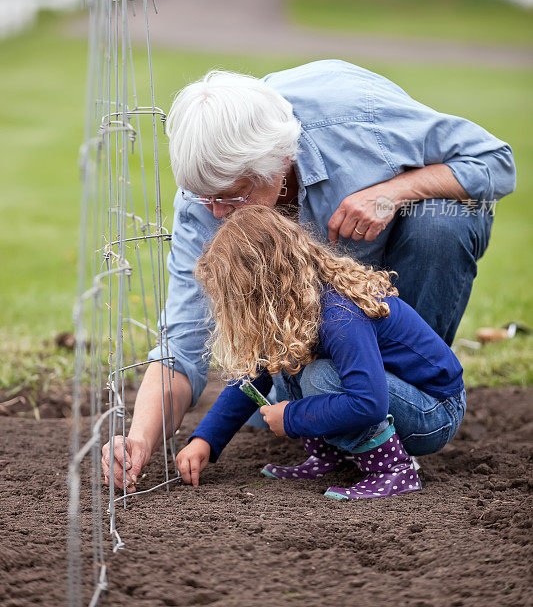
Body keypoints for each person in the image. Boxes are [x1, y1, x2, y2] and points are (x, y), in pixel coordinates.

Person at [102, 59, 514, 493]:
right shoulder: (207, 194)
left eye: (230, 197)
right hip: (342, 350)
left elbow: (497, 163)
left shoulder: (359, 121)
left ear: (280, 165)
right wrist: (143, 440)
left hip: (413, 395)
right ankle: (332, 423)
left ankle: (392, 446)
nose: (216, 215)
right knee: (299, 364)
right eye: (204, 200)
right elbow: (186, 346)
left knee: (440, 222)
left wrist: (394, 191)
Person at [175, 206, 466, 501]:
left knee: (320, 376)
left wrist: (290, 416)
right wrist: (205, 440)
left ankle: (393, 470)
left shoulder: (340, 315)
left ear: (262, 289)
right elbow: (255, 374)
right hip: (401, 400)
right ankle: (329, 459)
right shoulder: (300, 305)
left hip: (437, 412)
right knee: (287, 355)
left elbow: (369, 404)